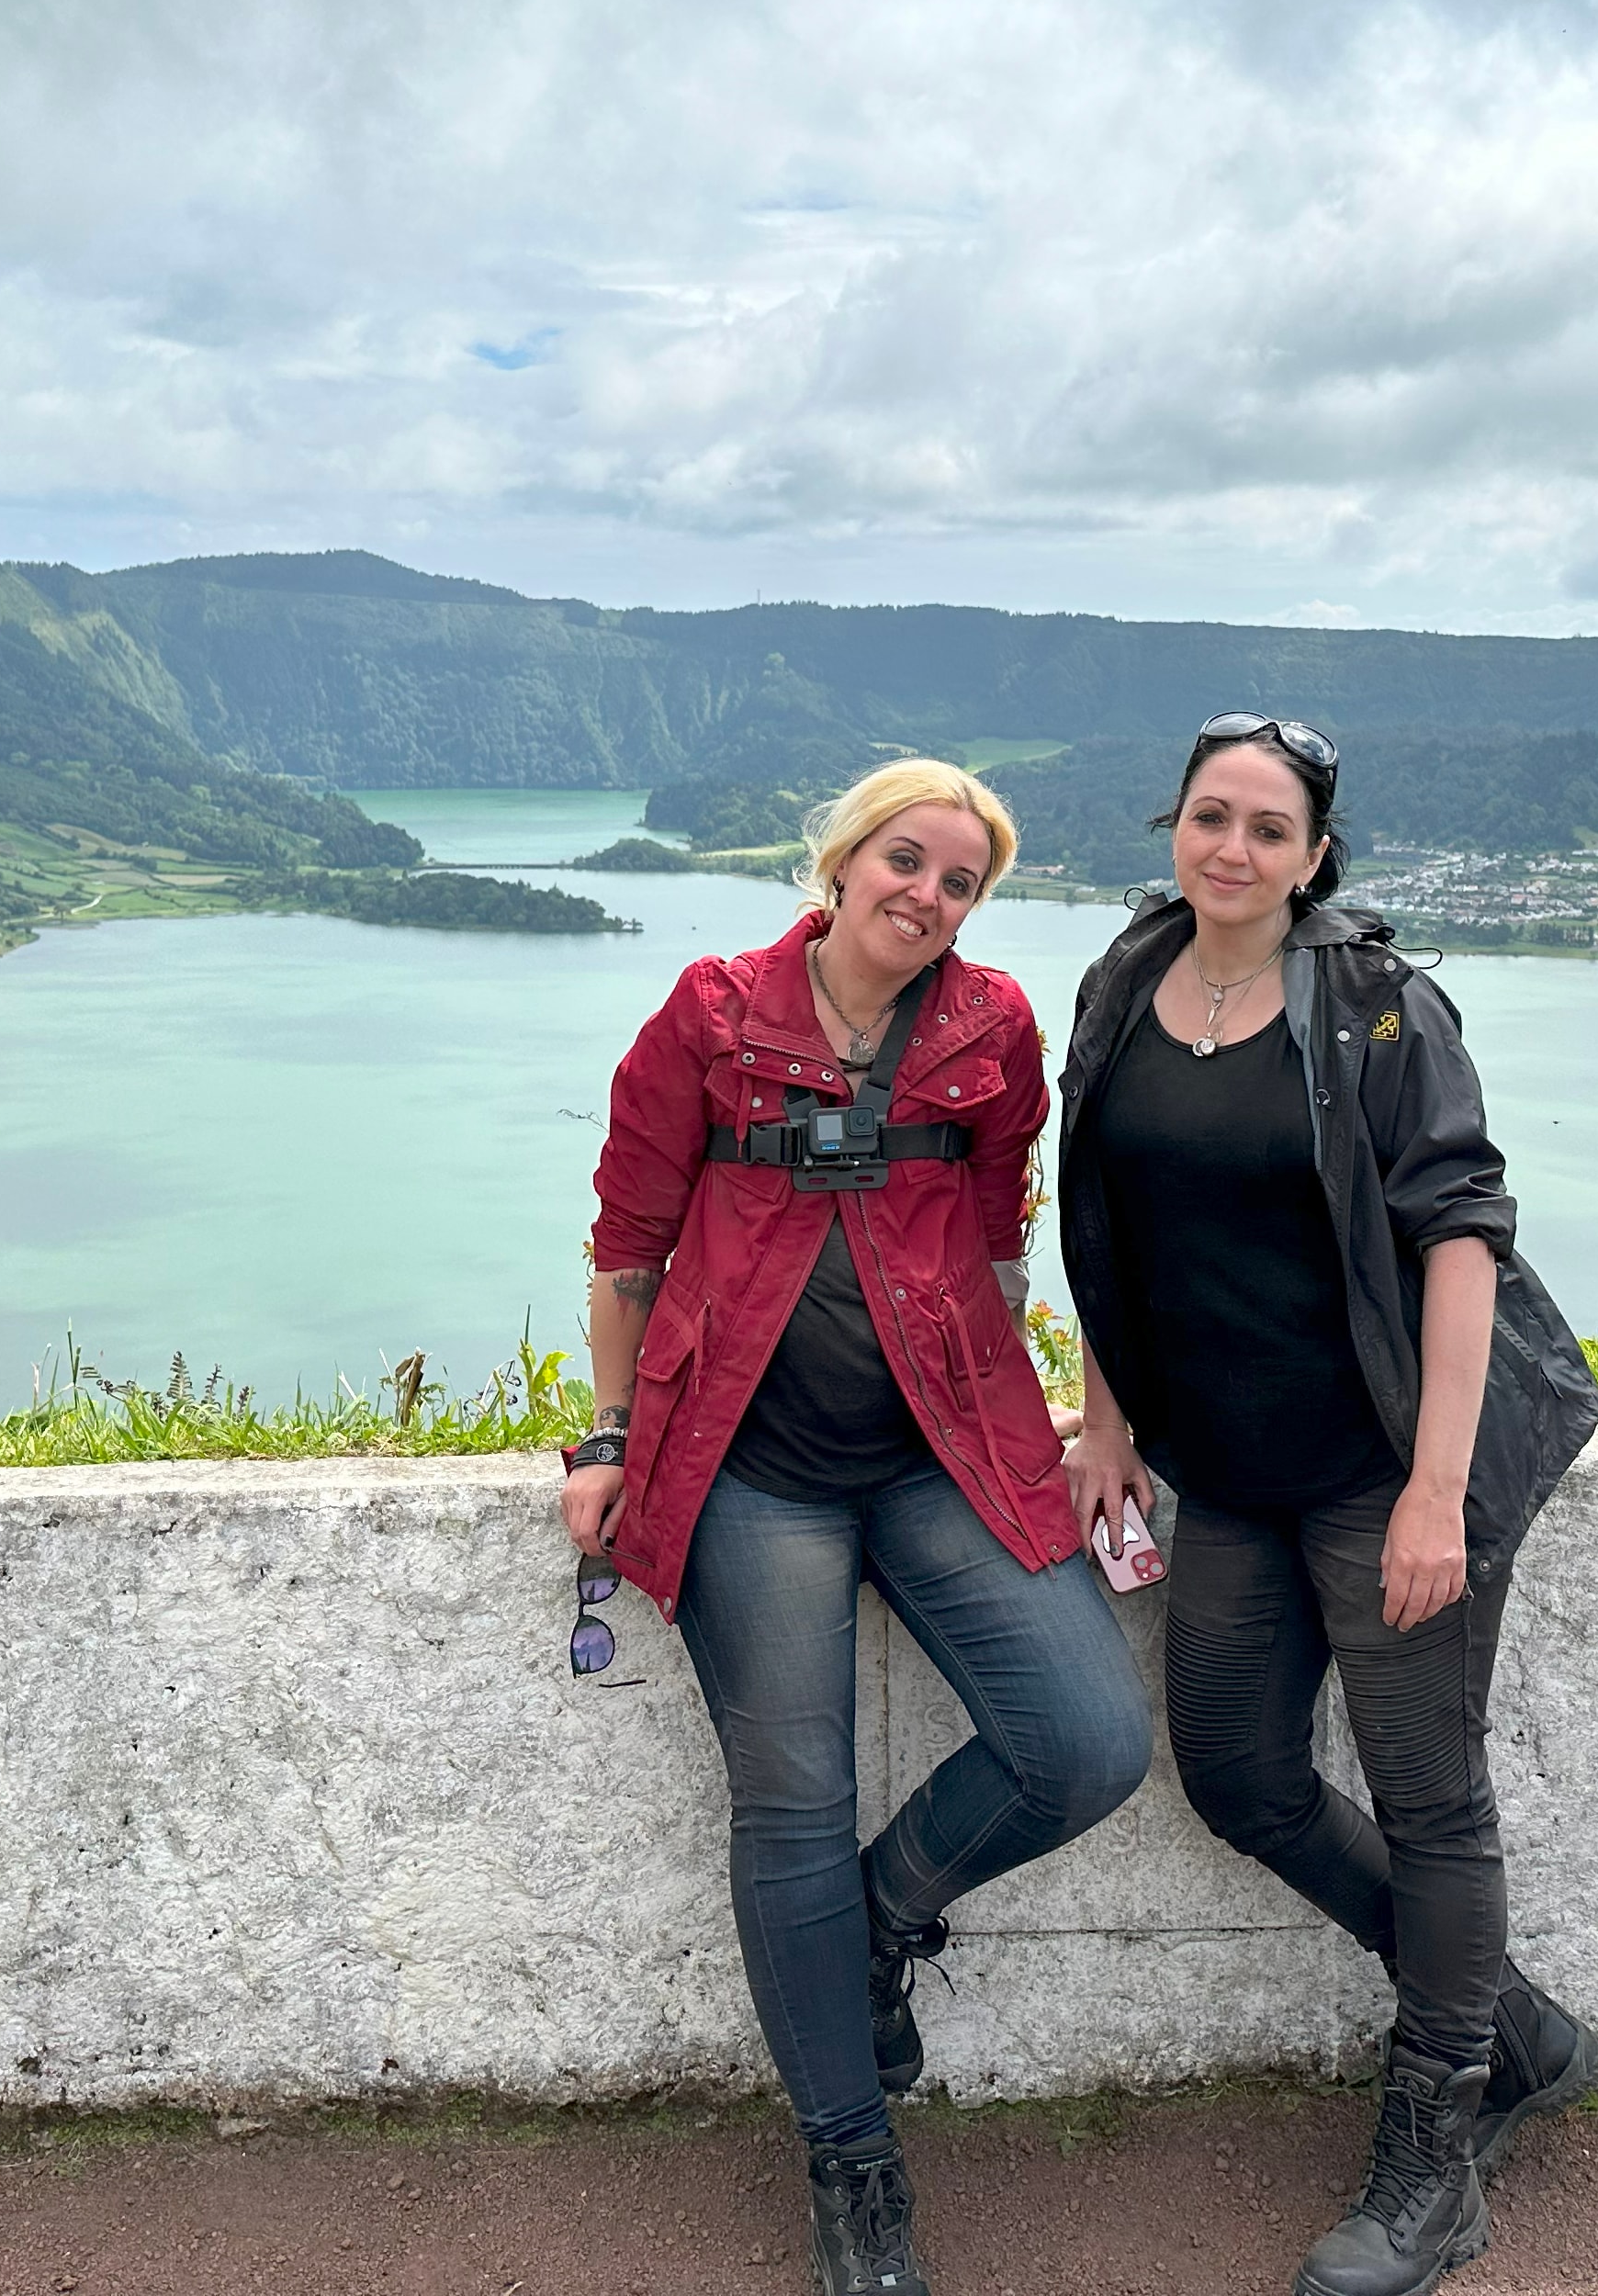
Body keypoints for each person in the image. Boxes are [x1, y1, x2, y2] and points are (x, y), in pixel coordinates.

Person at [561, 757, 1153, 2296]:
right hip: (748, 1466)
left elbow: (1009, 1216)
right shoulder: (711, 1015)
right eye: (908, 860)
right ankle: (852, 2158)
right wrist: (612, 1438)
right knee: (791, 1806)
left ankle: (881, 1914)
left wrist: (1081, 1417)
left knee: (1088, 1739)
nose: (930, 896)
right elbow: (629, 1243)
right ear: (840, 859)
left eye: (961, 881)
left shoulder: (991, 1030)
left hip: (941, 1451)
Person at [1057, 713, 1598, 2296]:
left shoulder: (1379, 1007)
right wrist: (1107, 1425)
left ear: (1313, 858)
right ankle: (1515, 2032)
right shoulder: (1123, 983)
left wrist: (1439, 1486)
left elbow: (1455, 1237)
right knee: (1236, 1772)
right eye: (1209, 815)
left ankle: (1433, 2155)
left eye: (1267, 829)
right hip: (1227, 1474)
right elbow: (1112, 1225)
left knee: (1434, 1801)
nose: (1232, 848)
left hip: (1379, 1475)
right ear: (1173, 824)